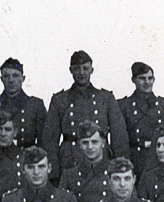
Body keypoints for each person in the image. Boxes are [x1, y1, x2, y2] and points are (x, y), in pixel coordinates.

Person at [42, 50, 129, 186]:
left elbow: (119, 137)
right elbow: (50, 139)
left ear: (92, 70)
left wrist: (121, 167)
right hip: (69, 159)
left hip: (102, 159)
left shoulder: (105, 98)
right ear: (70, 70)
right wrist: (53, 174)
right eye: (77, 69)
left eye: (85, 68)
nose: (81, 72)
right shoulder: (60, 100)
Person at [0, 57, 47, 158]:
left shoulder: (35, 105)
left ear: (23, 78)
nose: (11, 80)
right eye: (6, 76)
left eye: (15, 76)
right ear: (1, 79)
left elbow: (44, 143)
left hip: (26, 161)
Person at [117, 62, 164, 176]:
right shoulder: (124, 106)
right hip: (135, 161)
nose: (147, 82)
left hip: (159, 160)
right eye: (142, 78)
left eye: (150, 78)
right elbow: (120, 141)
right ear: (133, 80)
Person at [58, 120, 113, 202]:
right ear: (79, 145)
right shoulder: (69, 175)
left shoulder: (116, 173)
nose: (90, 147)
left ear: (103, 143)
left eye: (94, 142)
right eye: (85, 143)